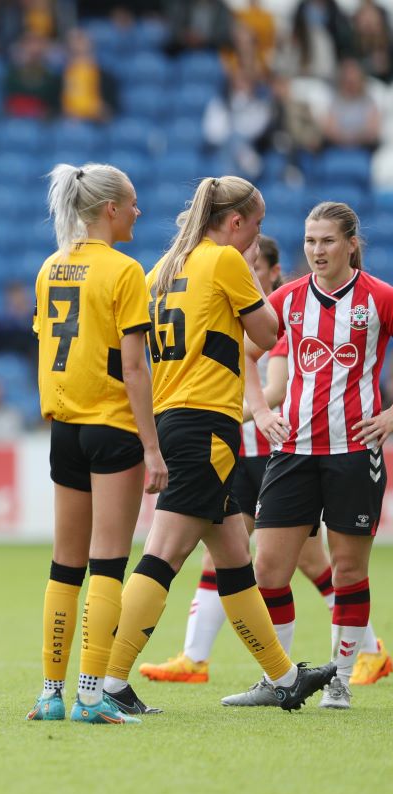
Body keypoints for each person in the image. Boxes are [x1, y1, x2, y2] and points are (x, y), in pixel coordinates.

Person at [101, 176, 336, 716]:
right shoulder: (225, 261)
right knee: (163, 555)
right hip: (208, 424)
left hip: (176, 416)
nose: (256, 240)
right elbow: (271, 333)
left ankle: (281, 678)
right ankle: (107, 682)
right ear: (234, 223)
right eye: (255, 228)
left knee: (233, 560)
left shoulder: (162, 268)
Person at [140, 235, 388, 685]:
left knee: (307, 563)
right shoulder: (272, 306)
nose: (244, 280)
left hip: (278, 451)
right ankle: (208, 659)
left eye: (253, 270)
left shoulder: (278, 314)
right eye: (310, 240)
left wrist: (237, 411)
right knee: (246, 560)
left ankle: (358, 652)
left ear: (271, 272)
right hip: (262, 453)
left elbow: (273, 386)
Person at [226, 202, 393, 710]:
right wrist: (258, 407)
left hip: (353, 451)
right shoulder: (288, 299)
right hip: (292, 451)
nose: (317, 251)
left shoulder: (379, 297)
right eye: (310, 241)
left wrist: (391, 416)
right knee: (268, 571)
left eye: (327, 241)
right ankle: (280, 677)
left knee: (347, 571)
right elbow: (248, 352)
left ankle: (340, 680)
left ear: (350, 243)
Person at [25, 163, 166, 725]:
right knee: (109, 563)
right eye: (132, 203)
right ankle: (91, 696)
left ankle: (50, 695)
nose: (137, 211)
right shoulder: (124, 271)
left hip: (65, 429)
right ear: (110, 209)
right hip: (112, 426)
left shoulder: (50, 267)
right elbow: (134, 367)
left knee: (65, 566)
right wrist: (152, 449)